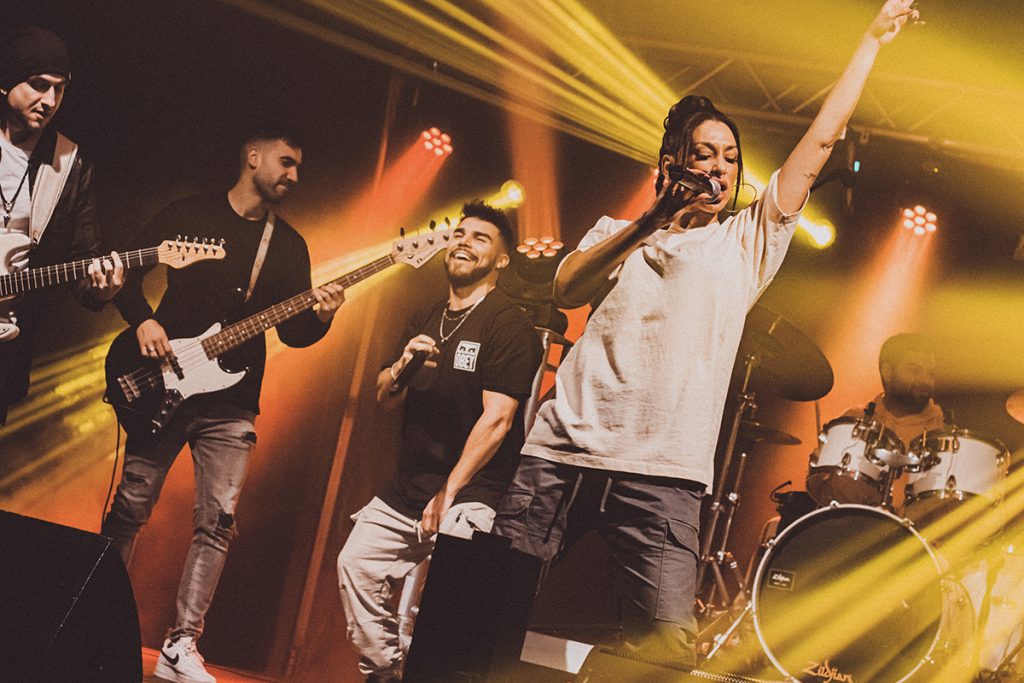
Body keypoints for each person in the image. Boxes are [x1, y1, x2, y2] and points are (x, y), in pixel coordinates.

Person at [490, 0, 921, 665]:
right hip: (563, 453)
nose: (720, 167)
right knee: (489, 614)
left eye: (730, 158)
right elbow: (567, 289)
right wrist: (649, 220)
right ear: (672, 164)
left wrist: (871, 41)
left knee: (668, 648)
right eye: (705, 154)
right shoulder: (616, 231)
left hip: (665, 474)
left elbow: (821, 143)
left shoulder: (745, 242)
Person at [102, 123, 344, 683]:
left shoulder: (289, 246)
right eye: (286, 162)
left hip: (234, 400)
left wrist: (323, 316)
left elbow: (295, 334)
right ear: (253, 157)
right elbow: (124, 274)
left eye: (298, 167)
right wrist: (143, 321)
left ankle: (182, 645)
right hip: (162, 381)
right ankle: (91, 610)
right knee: (131, 506)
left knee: (217, 522)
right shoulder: (190, 213)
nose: (294, 176)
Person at [337, 201, 542, 682]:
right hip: (411, 484)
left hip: (474, 490)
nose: (463, 243)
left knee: (451, 598)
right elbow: (383, 398)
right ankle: (384, 671)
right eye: (459, 235)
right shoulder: (425, 316)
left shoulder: (507, 324)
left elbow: (498, 419)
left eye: (479, 238)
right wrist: (402, 366)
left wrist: (449, 491)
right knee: (356, 563)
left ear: (502, 259)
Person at [0, 26, 123, 424]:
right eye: (39, 85)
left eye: (60, 88)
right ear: (6, 82)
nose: (50, 100)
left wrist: (102, 290)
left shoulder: (71, 163)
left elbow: (83, 257)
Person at [844, 333, 944, 446]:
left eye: (931, 373)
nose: (926, 380)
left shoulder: (945, 431)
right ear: (887, 372)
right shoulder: (852, 421)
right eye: (914, 371)